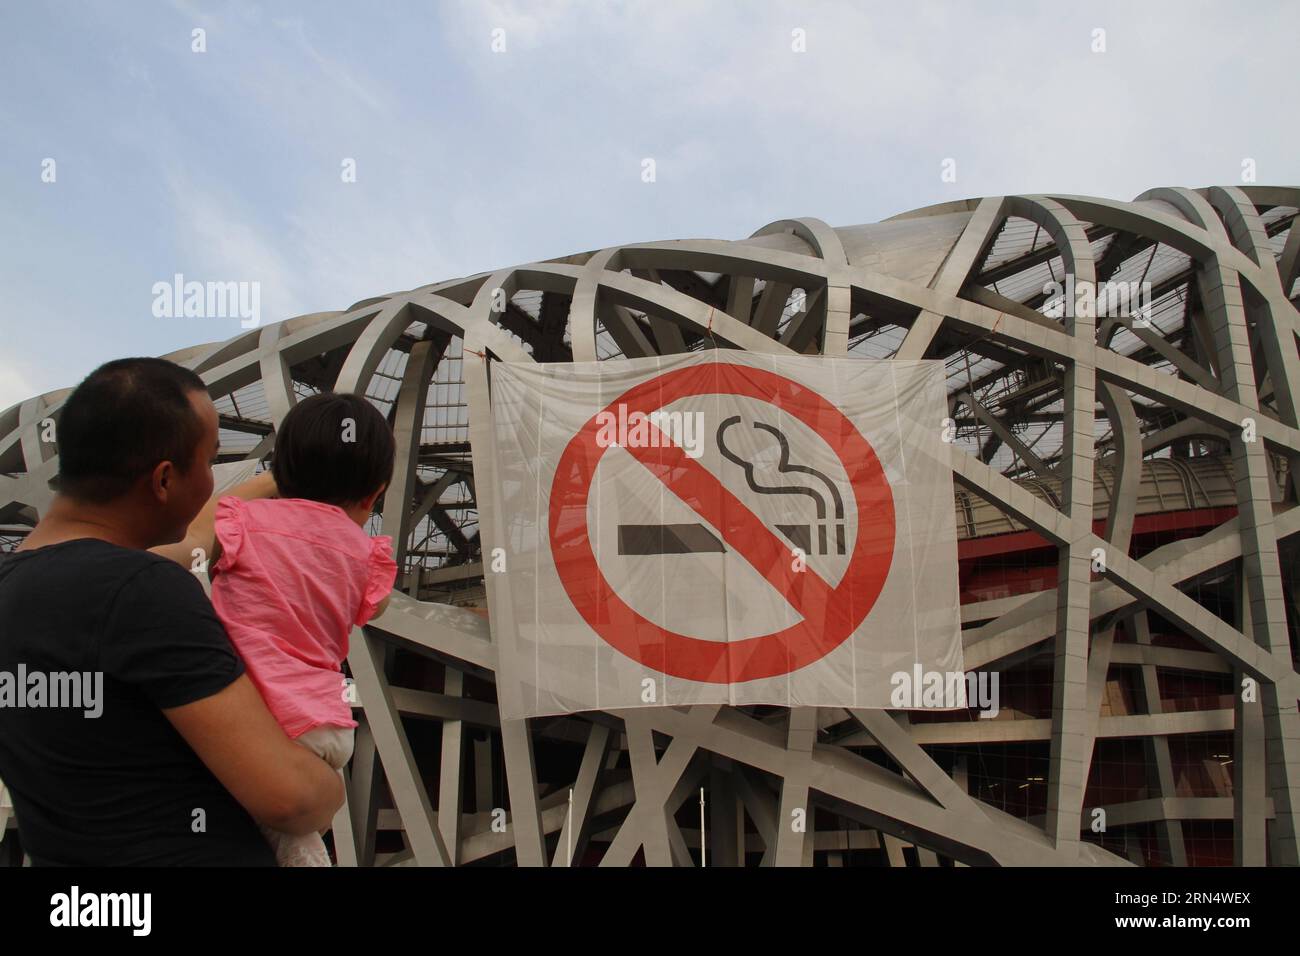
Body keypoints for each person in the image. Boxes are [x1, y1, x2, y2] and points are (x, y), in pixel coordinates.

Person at [0, 357, 344, 865]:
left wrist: (285, 479)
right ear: (163, 481)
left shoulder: (22, 586)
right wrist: (331, 785)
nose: (213, 480)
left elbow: (200, 535)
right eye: (209, 463)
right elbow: (288, 799)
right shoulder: (142, 591)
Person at [209, 392, 397, 866]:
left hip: (254, 716)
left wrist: (273, 484)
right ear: (376, 492)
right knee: (290, 837)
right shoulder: (367, 556)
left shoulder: (242, 522)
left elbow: (198, 532)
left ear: (282, 471)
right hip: (325, 729)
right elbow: (374, 607)